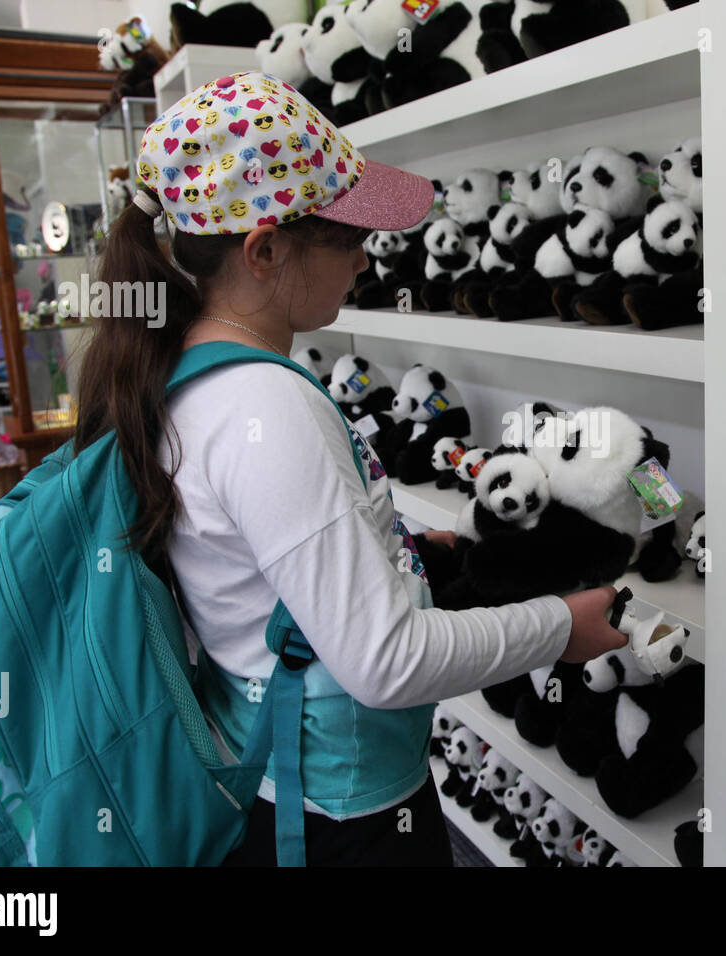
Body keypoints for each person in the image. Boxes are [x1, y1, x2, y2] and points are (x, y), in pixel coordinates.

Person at [74, 72, 627, 866]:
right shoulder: (269, 409)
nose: (367, 260)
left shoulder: (185, 373)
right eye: (349, 238)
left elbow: (260, 567)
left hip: (273, 770)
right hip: (337, 810)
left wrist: (389, 552)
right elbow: (386, 662)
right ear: (265, 251)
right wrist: (559, 627)